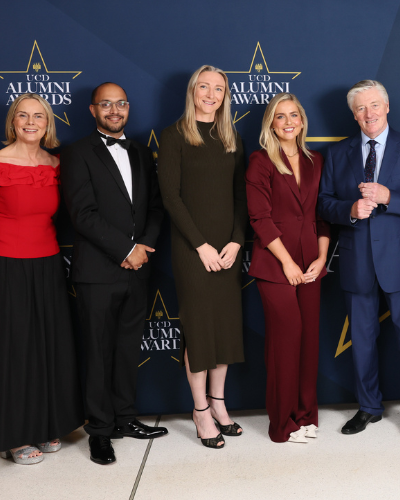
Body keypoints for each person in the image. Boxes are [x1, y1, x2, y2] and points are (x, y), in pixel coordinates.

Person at [0, 93, 83, 464]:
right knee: (13, 352)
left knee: (47, 348)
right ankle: (15, 436)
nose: (30, 122)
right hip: (3, 267)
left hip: (47, 266)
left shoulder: (55, 164)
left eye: (39, 116)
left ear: (48, 123)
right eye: (23, 116)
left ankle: (46, 423)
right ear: (12, 122)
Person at [318, 80, 400, 441]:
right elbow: (324, 205)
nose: (368, 114)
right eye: (360, 109)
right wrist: (350, 210)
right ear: (354, 115)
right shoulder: (339, 154)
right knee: (363, 341)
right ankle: (369, 407)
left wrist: (388, 196)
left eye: (374, 106)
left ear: (386, 107)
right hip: (357, 262)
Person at [61, 83, 168, 464]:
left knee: (126, 350)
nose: (114, 110)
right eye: (105, 104)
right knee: (98, 352)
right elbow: (83, 214)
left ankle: (125, 418)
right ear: (93, 110)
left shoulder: (141, 152)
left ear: (127, 107)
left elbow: (156, 208)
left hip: (138, 269)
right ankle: (100, 430)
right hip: (98, 271)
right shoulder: (76, 154)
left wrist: (142, 250)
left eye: (120, 103)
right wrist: (125, 249)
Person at [158, 65, 247, 449]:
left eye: (219, 89)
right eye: (204, 87)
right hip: (192, 249)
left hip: (227, 249)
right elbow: (171, 198)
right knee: (199, 329)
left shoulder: (232, 137)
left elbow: (241, 198)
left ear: (226, 95)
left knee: (225, 327)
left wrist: (237, 241)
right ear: (193, 90)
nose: (211, 94)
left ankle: (219, 403)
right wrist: (201, 245)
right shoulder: (175, 135)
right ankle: (199, 411)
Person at [247, 93, 330, 444]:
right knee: (286, 341)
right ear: (271, 123)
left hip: (311, 263)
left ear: (302, 120)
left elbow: (322, 214)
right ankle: (282, 425)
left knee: (309, 341)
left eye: (293, 115)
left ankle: (306, 415)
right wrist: (288, 263)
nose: (288, 121)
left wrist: (322, 258)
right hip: (275, 264)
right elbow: (260, 219)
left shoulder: (316, 161)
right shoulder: (260, 161)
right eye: (280, 116)